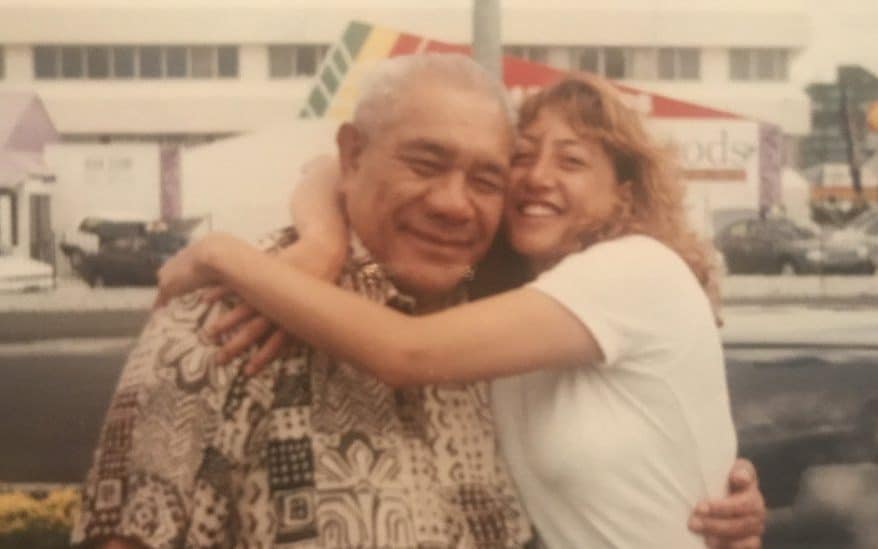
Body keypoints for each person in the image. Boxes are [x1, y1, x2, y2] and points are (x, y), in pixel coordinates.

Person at [155, 70, 764, 548]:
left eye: (572, 161)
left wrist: (225, 256)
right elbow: (330, 168)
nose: (537, 178)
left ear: (623, 193)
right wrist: (323, 243)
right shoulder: (507, 291)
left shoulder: (636, 269)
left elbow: (405, 353)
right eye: (521, 158)